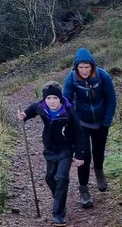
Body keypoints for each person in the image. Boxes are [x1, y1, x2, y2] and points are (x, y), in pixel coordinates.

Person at [17, 82, 88, 227]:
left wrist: (80, 154)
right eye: (48, 98)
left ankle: (58, 213)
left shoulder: (69, 112)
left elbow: (80, 133)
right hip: (50, 149)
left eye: (55, 98)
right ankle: (60, 200)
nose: (52, 101)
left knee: (61, 177)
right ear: (45, 99)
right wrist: (25, 114)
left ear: (60, 98)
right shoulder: (42, 106)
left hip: (66, 149)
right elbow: (32, 108)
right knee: (50, 178)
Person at [62, 47, 117, 208]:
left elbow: (111, 99)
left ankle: (99, 171)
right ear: (76, 67)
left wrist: (106, 121)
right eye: (81, 67)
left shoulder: (103, 76)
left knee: (99, 151)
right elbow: (67, 102)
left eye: (87, 67)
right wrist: (73, 122)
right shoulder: (72, 79)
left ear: (92, 66)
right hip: (82, 123)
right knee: (83, 156)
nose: (84, 70)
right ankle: (84, 189)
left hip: (101, 122)